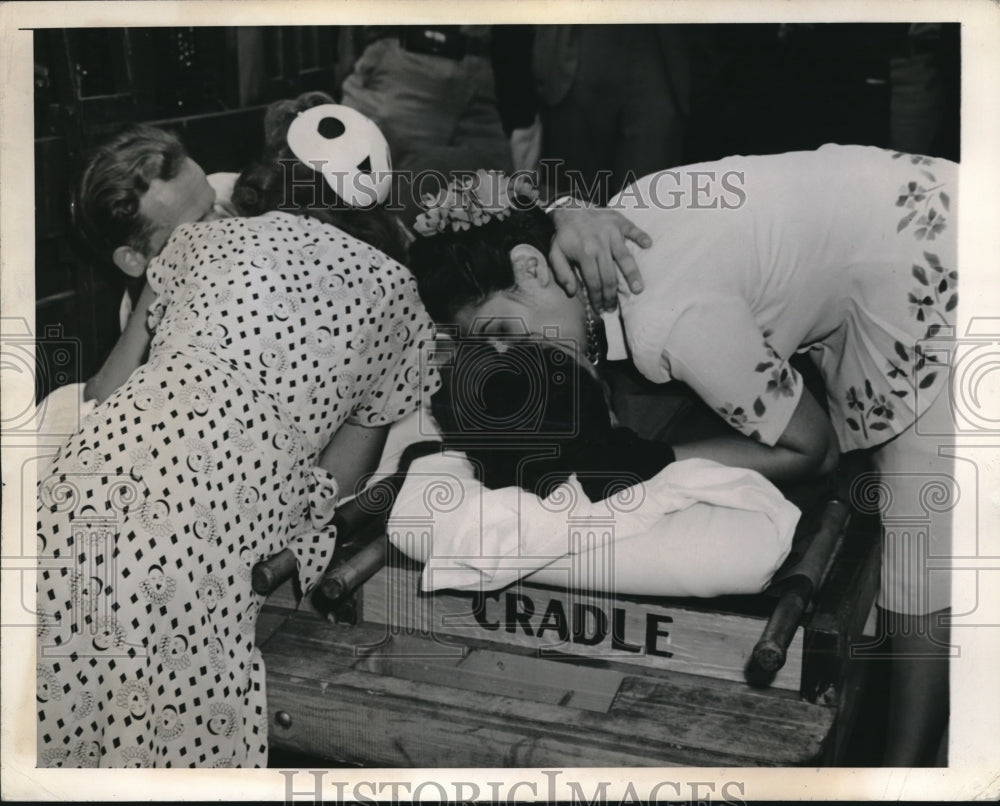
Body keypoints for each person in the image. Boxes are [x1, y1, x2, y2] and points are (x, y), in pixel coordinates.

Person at [406, 145, 957, 766]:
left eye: (503, 333)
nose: (517, 362)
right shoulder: (591, 235)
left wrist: (650, 461)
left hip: (937, 264)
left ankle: (909, 776)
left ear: (532, 270)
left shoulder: (666, 320)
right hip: (904, 203)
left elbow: (814, 449)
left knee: (922, 552)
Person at [35, 102, 439, 768]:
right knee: (165, 719)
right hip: (204, 526)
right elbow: (342, 478)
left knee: (55, 691)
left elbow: (103, 400)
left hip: (89, 483)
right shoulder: (399, 296)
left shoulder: (194, 239)